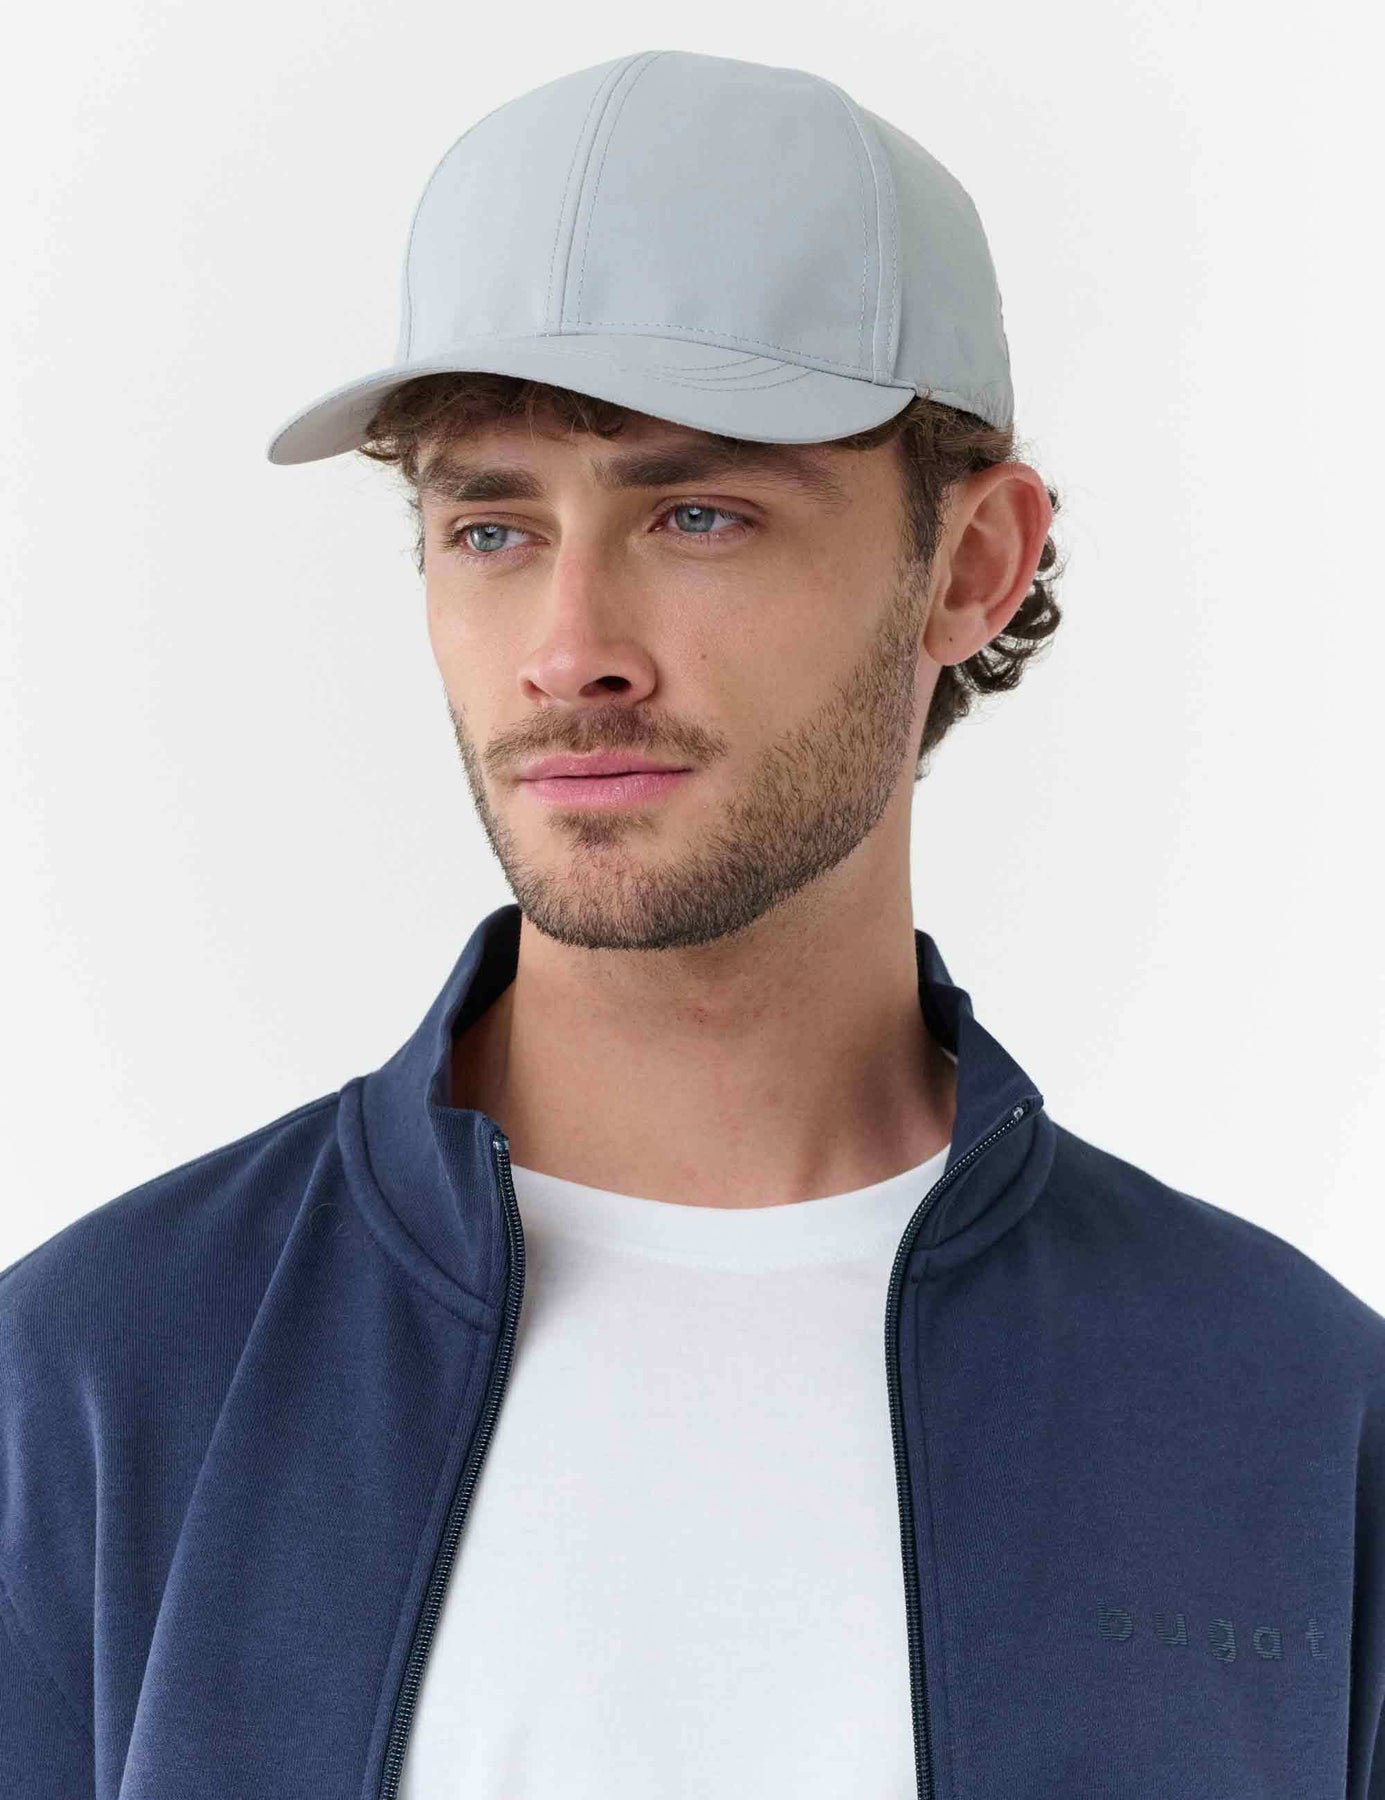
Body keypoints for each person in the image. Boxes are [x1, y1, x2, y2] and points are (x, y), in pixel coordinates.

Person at [2, 49, 1382, 1800]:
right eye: (490, 526)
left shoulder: (1291, 1414)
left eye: (698, 513)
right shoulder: (97, 1377)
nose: (569, 647)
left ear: (970, 565)